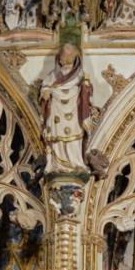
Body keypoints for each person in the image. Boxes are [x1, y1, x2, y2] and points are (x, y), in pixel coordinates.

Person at [40, 43, 93, 173]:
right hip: (57, 109)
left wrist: (86, 87)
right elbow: (45, 86)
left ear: (75, 57)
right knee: (57, 136)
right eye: (64, 56)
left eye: (70, 56)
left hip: (73, 109)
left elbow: (87, 91)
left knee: (74, 135)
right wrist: (46, 91)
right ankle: (58, 164)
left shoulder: (80, 74)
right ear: (60, 58)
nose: (66, 59)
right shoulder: (53, 75)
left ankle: (76, 163)